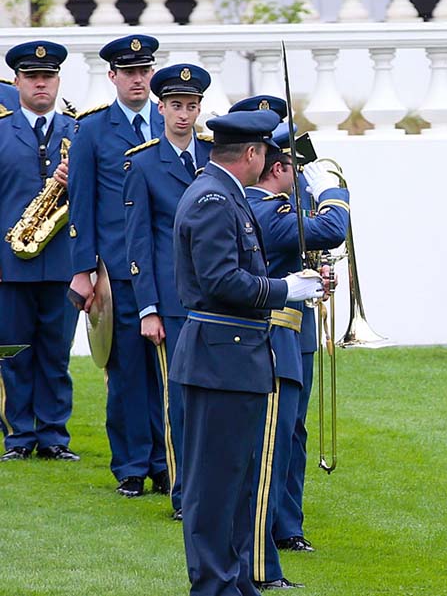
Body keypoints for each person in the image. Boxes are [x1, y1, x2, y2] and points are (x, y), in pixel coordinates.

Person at [170, 109, 323, 596]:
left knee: (236, 482)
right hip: (221, 359)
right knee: (215, 486)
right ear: (253, 154)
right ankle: (215, 586)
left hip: (233, 358)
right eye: (268, 153)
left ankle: (234, 582)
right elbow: (219, 281)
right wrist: (285, 289)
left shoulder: (222, 195)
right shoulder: (215, 199)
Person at [238, 100, 349, 588]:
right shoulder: (267, 203)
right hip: (275, 326)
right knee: (276, 437)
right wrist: (336, 194)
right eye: (294, 167)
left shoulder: (281, 198)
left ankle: (288, 525)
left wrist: (315, 269)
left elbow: (303, 243)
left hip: (297, 323)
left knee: (295, 431)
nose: (300, 175)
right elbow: (328, 226)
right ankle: (269, 531)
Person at [67, 34, 167, 497]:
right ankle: (130, 464)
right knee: (126, 371)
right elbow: (81, 203)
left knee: (167, 372)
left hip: (165, 270)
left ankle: (166, 461)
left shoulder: (168, 122)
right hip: (119, 271)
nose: (138, 79)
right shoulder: (93, 130)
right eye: (129, 73)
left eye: (144, 71)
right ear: (112, 77)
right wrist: (83, 269)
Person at [123, 64, 213, 520]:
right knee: (177, 400)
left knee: (215, 399)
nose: (184, 115)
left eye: (191, 106)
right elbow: (137, 240)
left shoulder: (214, 156)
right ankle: (182, 494)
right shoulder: (143, 163)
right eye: (176, 105)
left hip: (218, 299)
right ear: (160, 108)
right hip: (172, 302)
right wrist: (148, 308)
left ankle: (212, 488)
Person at [0, 40, 79, 462]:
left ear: (58, 81)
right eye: (32, 77)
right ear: (17, 82)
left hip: (63, 263)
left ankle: (53, 437)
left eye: (47, 77)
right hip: (9, 264)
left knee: (56, 352)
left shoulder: (78, 131)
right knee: (13, 353)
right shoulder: (0, 129)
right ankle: (18, 437)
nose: (41, 84)